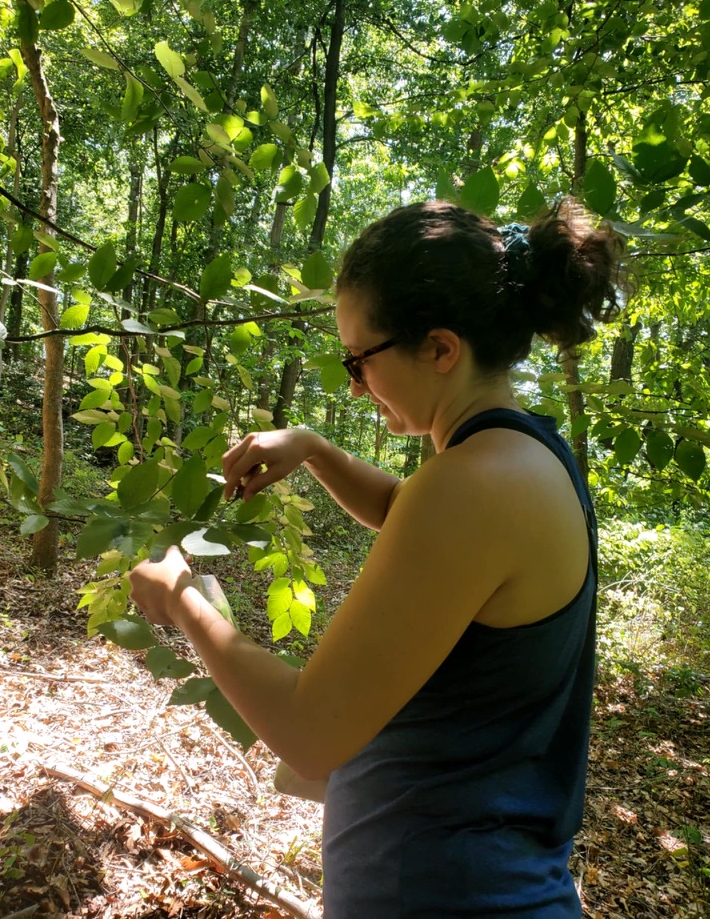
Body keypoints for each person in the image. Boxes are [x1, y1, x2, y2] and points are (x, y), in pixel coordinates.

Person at [129, 198, 624, 919]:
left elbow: (310, 734)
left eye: (359, 359)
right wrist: (315, 448)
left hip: (446, 893)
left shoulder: (473, 484)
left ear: (440, 349)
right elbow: (409, 520)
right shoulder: (521, 456)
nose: (356, 384)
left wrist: (181, 598)